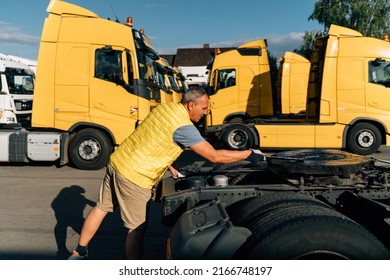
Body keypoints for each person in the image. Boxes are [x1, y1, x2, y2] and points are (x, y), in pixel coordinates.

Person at [68, 87, 265, 260]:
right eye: (203, 109)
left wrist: (171, 166)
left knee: (101, 208)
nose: (206, 113)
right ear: (190, 105)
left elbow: (155, 137)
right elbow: (213, 156)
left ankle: (79, 252)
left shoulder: (164, 108)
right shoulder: (184, 127)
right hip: (134, 176)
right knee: (136, 229)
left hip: (118, 162)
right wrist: (249, 154)